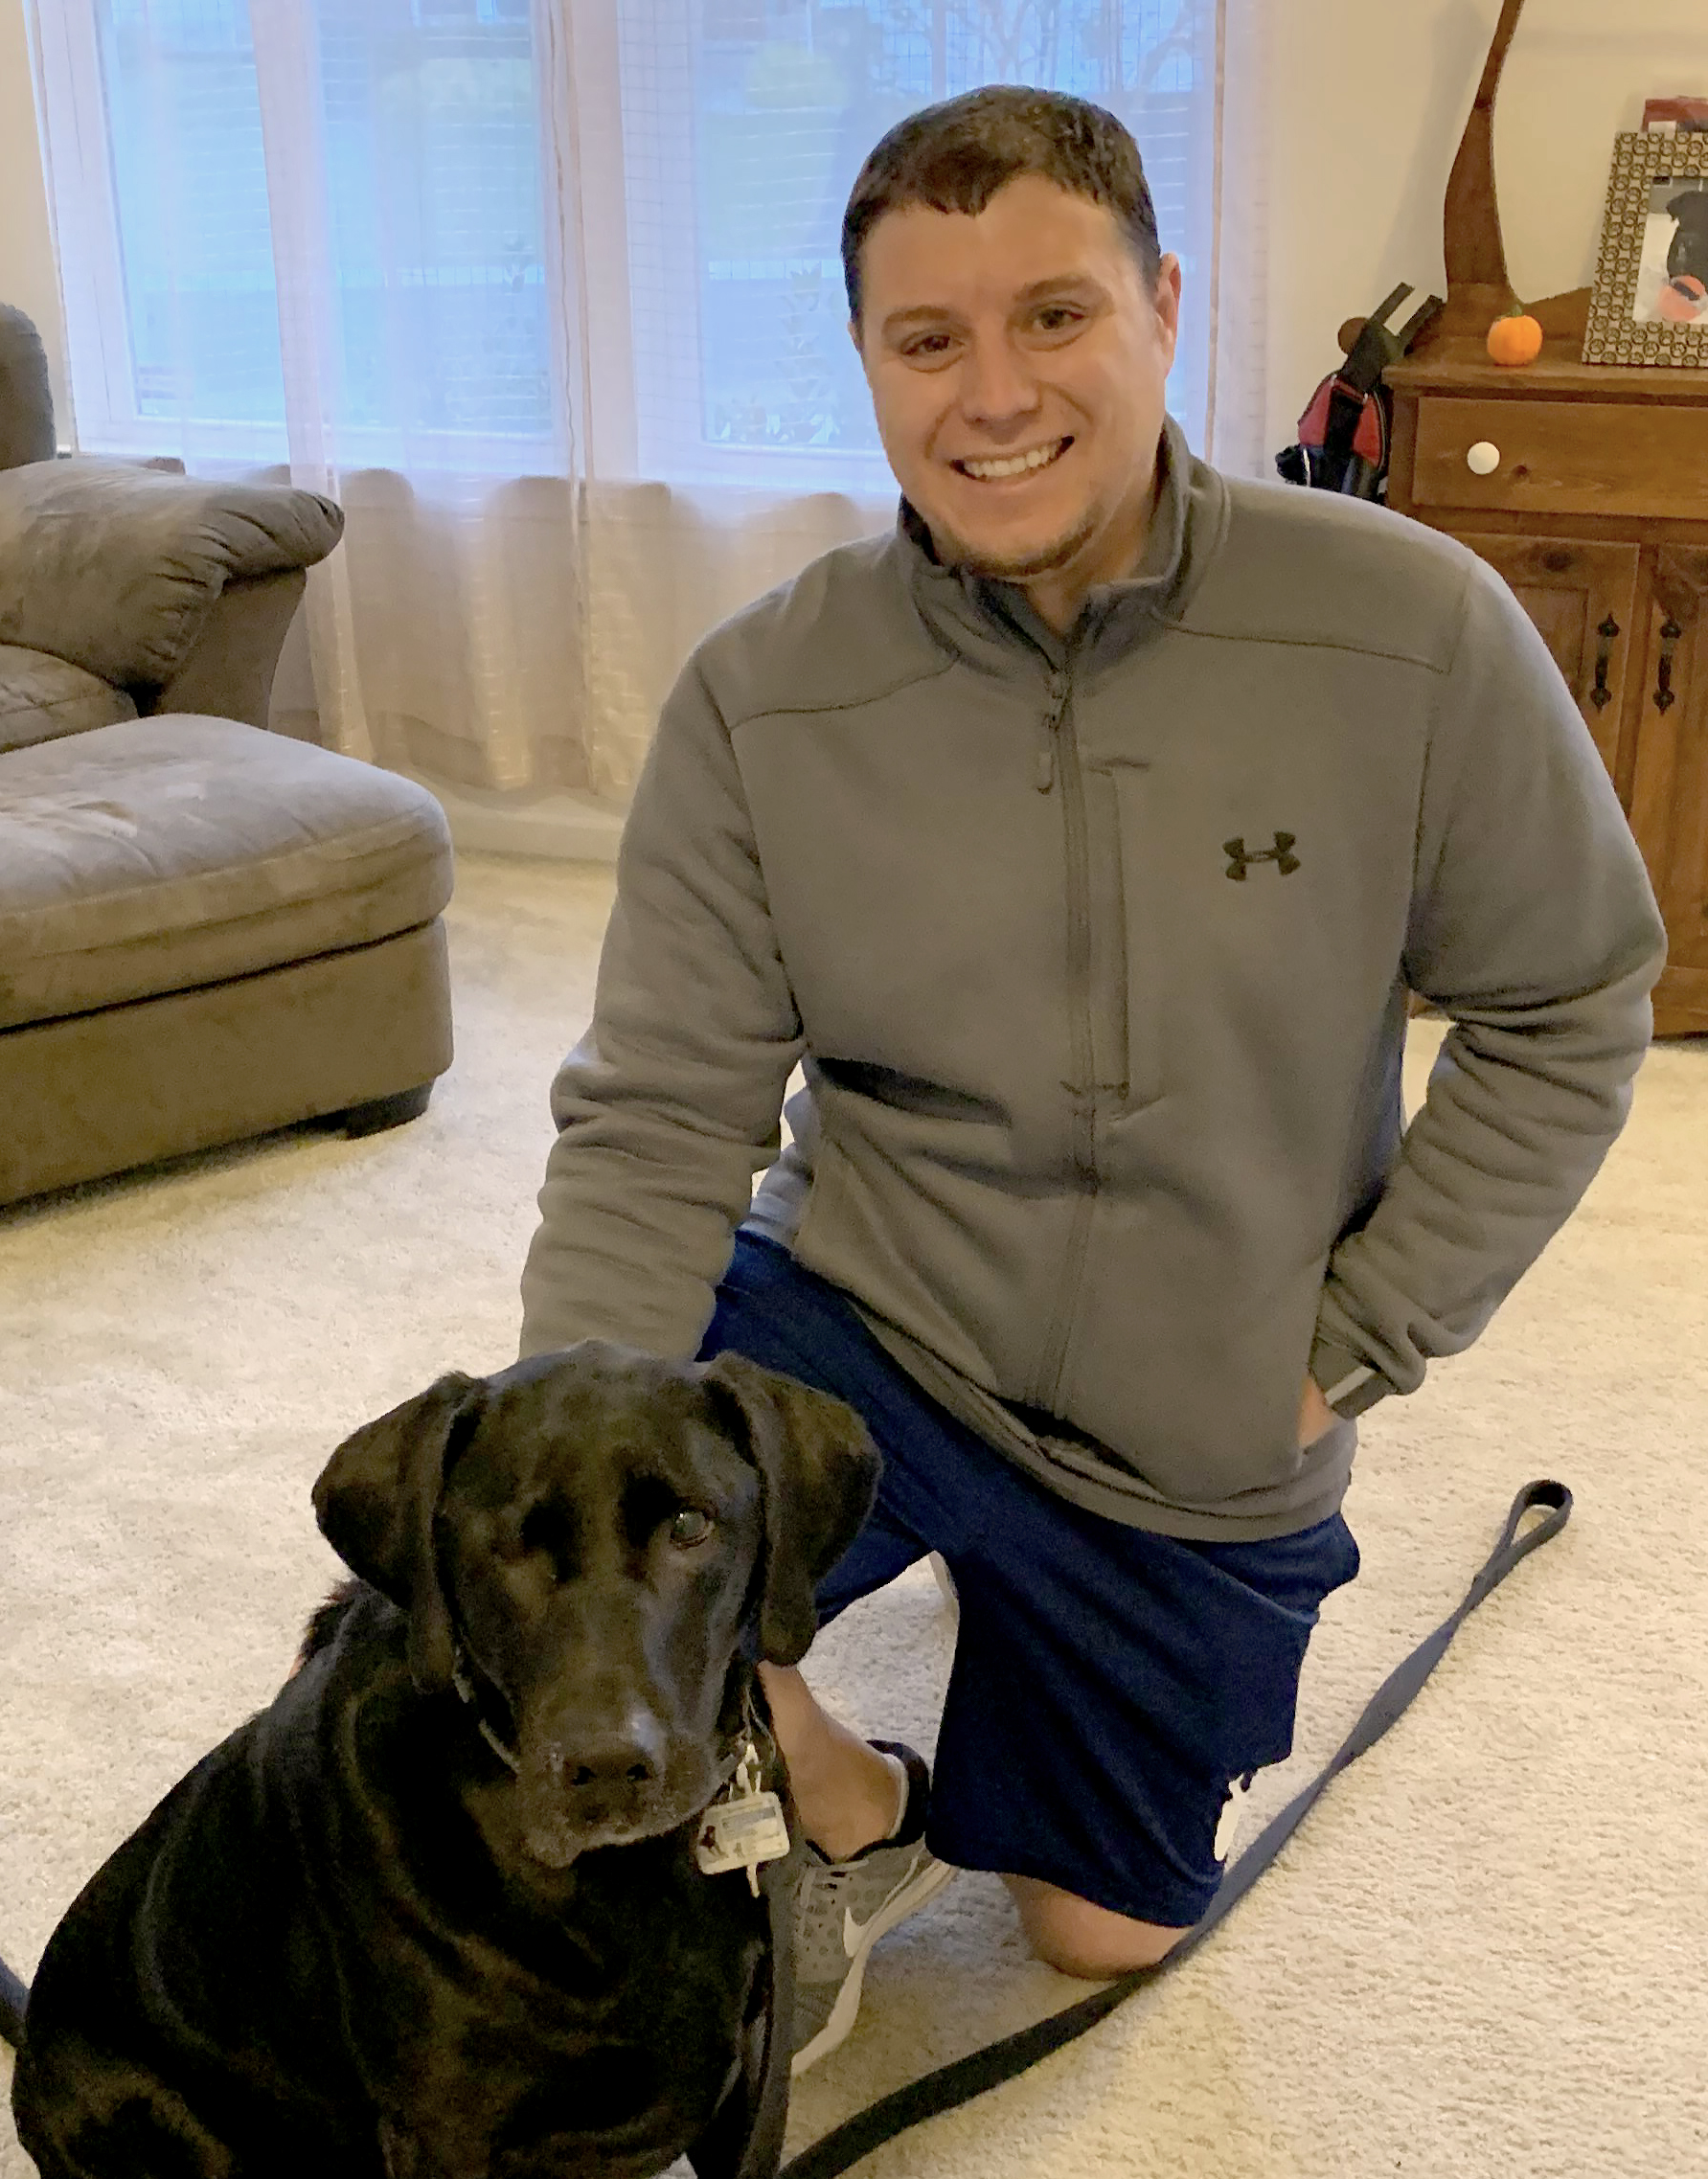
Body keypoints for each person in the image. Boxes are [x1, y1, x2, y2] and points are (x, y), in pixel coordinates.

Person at [518, 87, 1665, 2070]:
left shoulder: (1408, 628)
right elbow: (657, 1111)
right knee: (561, 1620)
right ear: (865, 360)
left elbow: (1572, 1002)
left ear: (1163, 307)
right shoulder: (760, 693)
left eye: (1054, 317)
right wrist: (563, 1466)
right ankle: (839, 1780)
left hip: (1201, 1415)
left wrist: (1358, 1338)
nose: (992, 396)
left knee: (1097, 1933)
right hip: (859, 1325)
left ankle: (1020, 1681)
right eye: (926, 339)